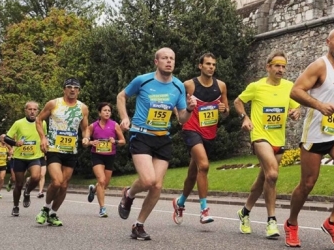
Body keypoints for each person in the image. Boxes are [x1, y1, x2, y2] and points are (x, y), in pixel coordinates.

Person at [284, 28, 334, 248]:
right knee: (307, 183)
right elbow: (296, 91)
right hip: (315, 133)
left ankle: (333, 221)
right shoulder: (319, 66)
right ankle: (292, 223)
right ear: (328, 42)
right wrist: (319, 105)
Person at [116, 47, 195, 240]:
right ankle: (129, 194)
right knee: (148, 180)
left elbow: (182, 119)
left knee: (157, 186)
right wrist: (125, 118)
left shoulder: (178, 86)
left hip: (162, 138)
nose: (169, 61)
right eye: (165, 58)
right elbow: (121, 96)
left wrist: (190, 109)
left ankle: (138, 225)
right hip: (141, 135)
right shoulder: (143, 80)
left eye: (172, 59)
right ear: (156, 62)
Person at [234, 50, 301, 239]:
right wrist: (245, 117)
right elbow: (238, 101)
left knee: (264, 179)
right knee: (272, 174)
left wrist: (296, 112)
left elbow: (295, 106)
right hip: (260, 136)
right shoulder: (256, 86)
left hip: (278, 139)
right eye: (277, 66)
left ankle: (245, 212)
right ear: (268, 67)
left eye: (283, 66)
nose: (281, 69)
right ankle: (272, 221)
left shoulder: (289, 86)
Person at [172, 53, 230, 225]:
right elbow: (177, 104)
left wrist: (223, 110)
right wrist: (181, 115)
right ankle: (204, 210)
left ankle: (180, 202)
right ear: (200, 66)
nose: (211, 67)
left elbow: (226, 113)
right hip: (191, 129)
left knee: (193, 172)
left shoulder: (221, 86)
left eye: (213, 64)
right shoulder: (189, 85)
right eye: (207, 64)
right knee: (203, 165)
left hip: (209, 132)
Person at [35, 77, 89, 227]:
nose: (72, 89)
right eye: (69, 86)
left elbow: (85, 128)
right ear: (64, 89)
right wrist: (43, 138)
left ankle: (52, 213)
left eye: (76, 87)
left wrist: (86, 138)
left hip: (71, 150)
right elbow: (39, 120)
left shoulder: (83, 108)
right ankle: (45, 208)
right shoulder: (54, 104)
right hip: (54, 148)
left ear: (79, 90)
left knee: (64, 185)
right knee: (57, 182)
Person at [6, 101, 46, 217]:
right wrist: (15, 142)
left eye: (35, 109)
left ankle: (27, 192)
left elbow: (45, 137)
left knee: (36, 177)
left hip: (35, 156)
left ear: (38, 111)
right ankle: (15, 206)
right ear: (25, 111)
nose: (32, 111)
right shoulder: (18, 123)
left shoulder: (42, 123)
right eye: (30, 109)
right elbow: (7, 138)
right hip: (20, 157)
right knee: (18, 184)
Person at [86, 102, 126, 218]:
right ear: (99, 112)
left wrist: (116, 142)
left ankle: (93, 189)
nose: (107, 112)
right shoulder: (93, 126)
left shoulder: (114, 125)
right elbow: (85, 140)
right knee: (102, 180)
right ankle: (102, 208)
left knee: (105, 184)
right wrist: (91, 142)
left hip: (110, 156)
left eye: (109, 111)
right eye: (104, 110)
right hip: (97, 155)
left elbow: (123, 141)